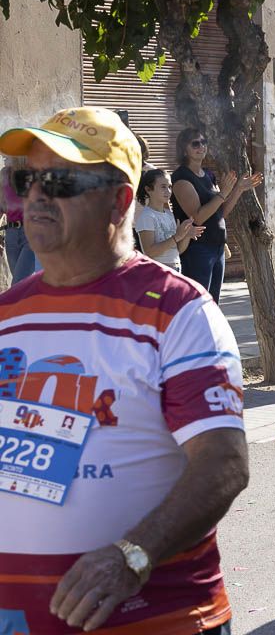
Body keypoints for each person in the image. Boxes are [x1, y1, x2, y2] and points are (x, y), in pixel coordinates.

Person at [0, 106, 248, 634]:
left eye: (62, 179)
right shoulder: (7, 316)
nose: (38, 194)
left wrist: (133, 556)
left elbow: (223, 463)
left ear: (119, 200)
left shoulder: (180, 311)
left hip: (158, 619)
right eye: (27, 179)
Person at [171, 128, 261, 303]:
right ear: (184, 149)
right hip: (197, 250)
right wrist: (223, 193)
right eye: (195, 143)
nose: (201, 147)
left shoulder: (209, 175)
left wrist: (238, 189)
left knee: (213, 305)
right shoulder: (181, 177)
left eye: (204, 142)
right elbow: (197, 218)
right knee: (198, 305)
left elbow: (221, 213)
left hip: (217, 247)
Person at [135, 169, 202, 272]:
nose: (168, 191)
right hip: (158, 271)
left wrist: (186, 236)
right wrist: (177, 237)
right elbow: (150, 252)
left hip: (176, 268)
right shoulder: (147, 216)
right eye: (163, 187)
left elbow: (178, 250)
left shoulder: (169, 214)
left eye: (170, 187)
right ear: (148, 189)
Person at [2, 158, 40, 282]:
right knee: (22, 285)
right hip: (11, 235)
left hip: (31, 233)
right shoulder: (4, 174)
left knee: (18, 283)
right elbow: (1, 206)